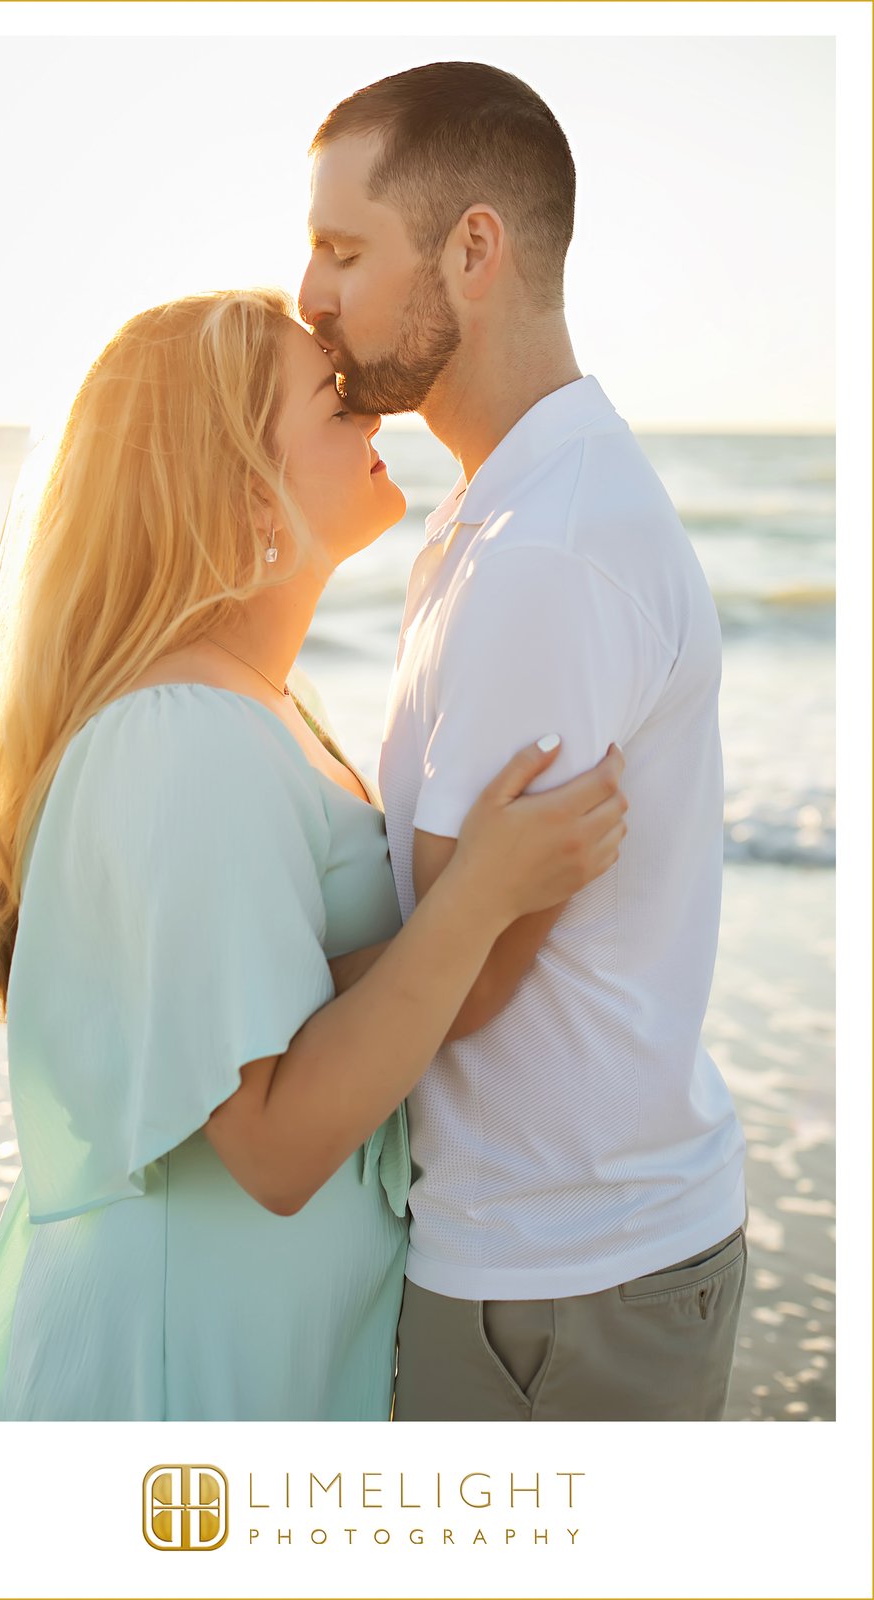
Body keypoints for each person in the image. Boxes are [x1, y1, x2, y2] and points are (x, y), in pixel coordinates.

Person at [0, 288, 627, 1421]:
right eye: (333, 401)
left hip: (260, 1341)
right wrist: (477, 897)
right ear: (247, 484)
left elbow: (300, 1007)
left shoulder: (252, 707)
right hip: (184, 1369)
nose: (373, 418)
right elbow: (273, 1146)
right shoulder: (182, 737)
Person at [300, 61, 748, 1422]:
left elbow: (470, 966)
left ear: (473, 248)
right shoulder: (519, 509)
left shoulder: (546, 551)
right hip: (565, 1262)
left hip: (563, 1286)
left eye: (342, 248)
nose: (310, 297)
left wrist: (216, 1001)